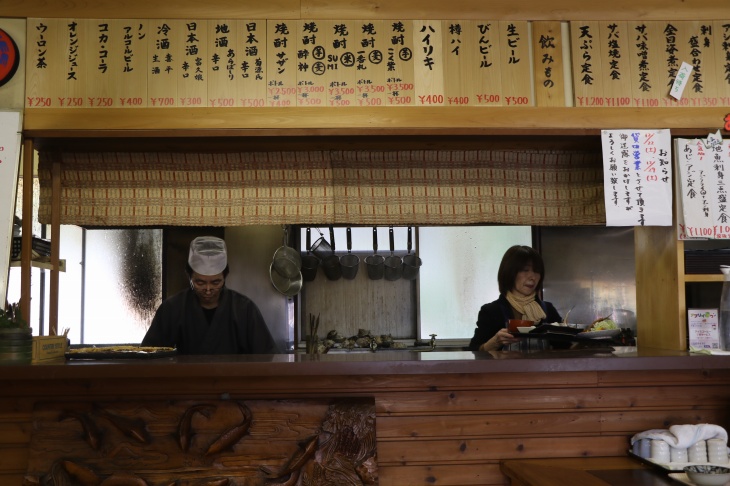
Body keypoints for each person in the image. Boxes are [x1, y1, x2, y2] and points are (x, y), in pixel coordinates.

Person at [142, 236, 280, 355]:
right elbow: (150, 354)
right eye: (200, 282)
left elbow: (267, 355)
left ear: (225, 277)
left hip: (234, 383)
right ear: (189, 277)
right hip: (185, 383)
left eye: (215, 282)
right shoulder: (172, 308)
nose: (208, 289)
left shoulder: (244, 309)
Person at [468, 245, 562, 352]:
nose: (533, 277)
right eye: (525, 270)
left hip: (541, 369)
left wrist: (582, 341)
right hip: (506, 369)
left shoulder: (547, 309)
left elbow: (565, 349)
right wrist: (495, 342)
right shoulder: (491, 311)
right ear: (509, 273)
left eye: (537, 271)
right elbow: (474, 351)